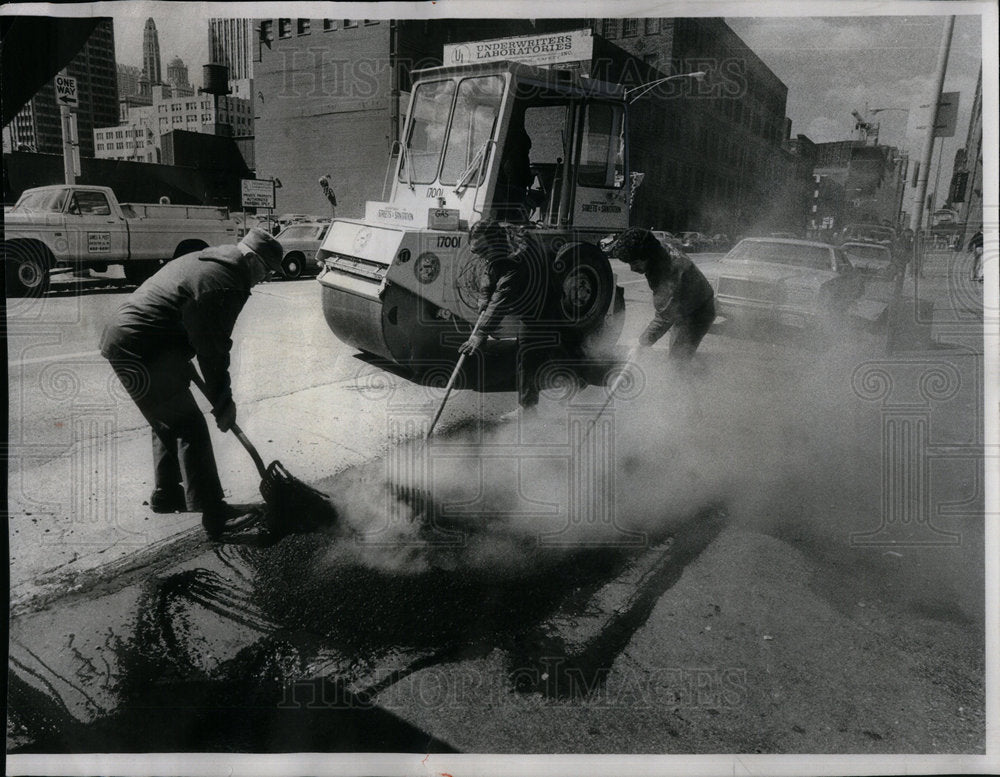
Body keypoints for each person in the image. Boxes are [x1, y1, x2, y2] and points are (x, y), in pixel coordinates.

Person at [100, 229, 284, 539]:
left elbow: (188, 320)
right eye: (265, 270)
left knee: (169, 419)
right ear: (251, 259)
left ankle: (167, 494)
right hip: (141, 345)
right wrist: (224, 403)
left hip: (136, 340)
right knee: (188, 424)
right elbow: (212, 350)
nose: (264, 279)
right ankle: (215, 516)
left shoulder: (210, 258)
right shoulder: (225, 281)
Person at [458, 219, 560, 419]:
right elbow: (489, 269)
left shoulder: (516, 259)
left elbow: (501, 300)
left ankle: (528, 409)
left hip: (543, 300)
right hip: (525, 292)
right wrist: (483, 297)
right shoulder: (495, 242)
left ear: (495, 244)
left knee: (528, 351)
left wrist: (479, 334)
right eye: (475, 251)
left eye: (483, 250)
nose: (480, 255)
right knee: (546, 349)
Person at [607, 227, 716, 361]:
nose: (632, 268)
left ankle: (687, 379)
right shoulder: (656, 249)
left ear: (647, 256)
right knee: (676, 353)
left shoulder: (669, 270)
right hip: (685, 305)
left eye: (635, 263)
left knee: (677, 361)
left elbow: (665, 317)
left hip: (698, 311)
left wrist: (641, 343)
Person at [493, 104, 533, 221]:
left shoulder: (510, 143)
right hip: (510, 198)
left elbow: (517, 175)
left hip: (508, 200)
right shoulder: (517, 143)